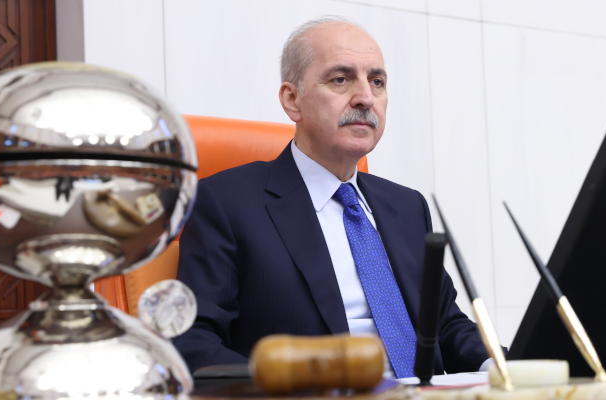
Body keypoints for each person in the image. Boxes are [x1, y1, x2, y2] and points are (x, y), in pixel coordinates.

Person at [173, 16, 491, 377]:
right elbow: (194, 343)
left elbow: (444, 325)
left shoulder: (407, 206)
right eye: (341, 79)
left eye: (377, 82)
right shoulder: (226, 203)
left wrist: (508, 364)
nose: (365, 98)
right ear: (292, 100)